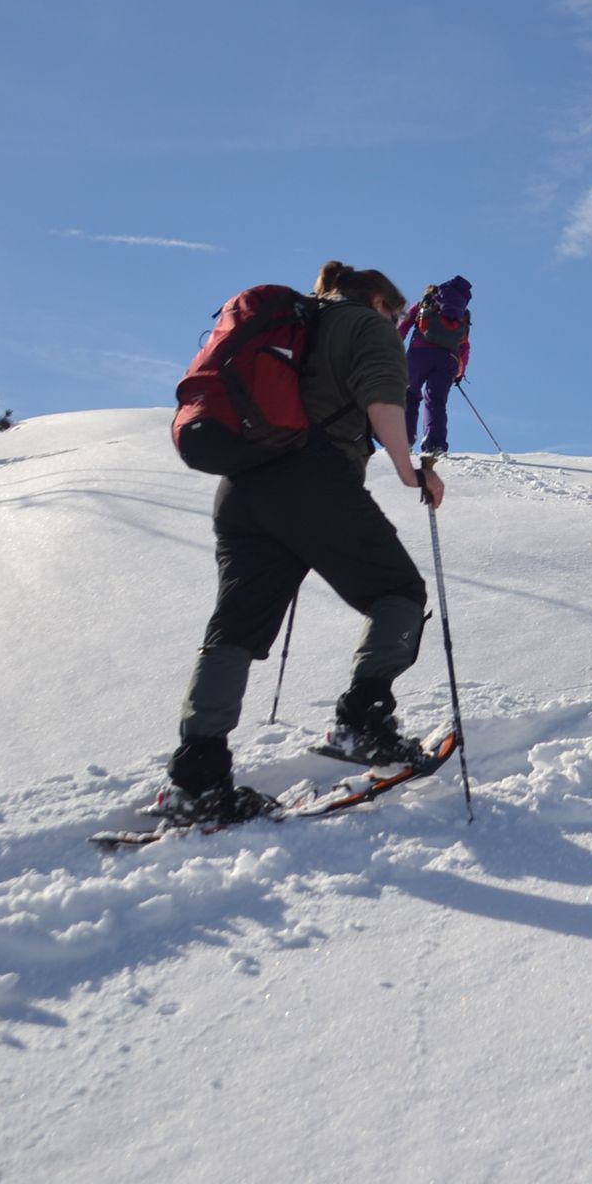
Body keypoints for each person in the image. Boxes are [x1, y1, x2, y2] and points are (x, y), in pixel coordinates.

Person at [158, 262, 448, 823]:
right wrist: (410, 471)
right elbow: (385, 402)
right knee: (398, 593)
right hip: (311, 479)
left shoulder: (300, 322)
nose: (400, 328)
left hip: (243, 486)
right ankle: (363, 722)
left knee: (235, 626)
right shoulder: (366, 326)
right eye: (400, 316)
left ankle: (197, 777)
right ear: (380, 302)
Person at [399, 276, 472, 456]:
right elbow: (464, 346)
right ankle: (435, 444)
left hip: (419, 355)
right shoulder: (461, 314)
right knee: (436, 402)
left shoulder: (423, 305)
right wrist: (459, 373)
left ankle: (404, 440)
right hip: (447, 360)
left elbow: (403, 326)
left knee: (410, 395)